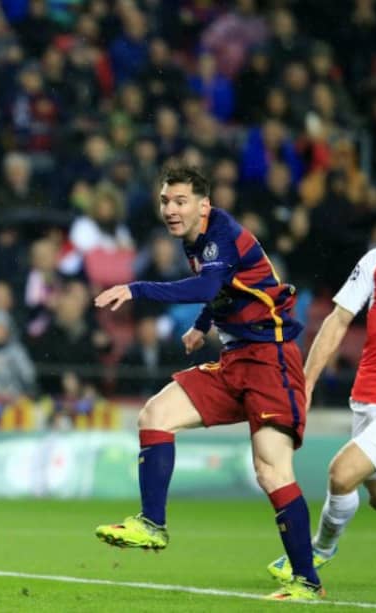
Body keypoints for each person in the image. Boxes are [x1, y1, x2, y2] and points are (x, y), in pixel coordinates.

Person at [92, 166, 322, 601]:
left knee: (271, 469)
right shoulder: (196, 240)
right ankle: (152, 524)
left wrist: (137, 289)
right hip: (235, 358)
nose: (170, 210)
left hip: (271, 359)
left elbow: (209, 283)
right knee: (155, 414)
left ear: (203, 205)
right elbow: (223, 291)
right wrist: (203, 324)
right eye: (164, 201)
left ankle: (307, 580)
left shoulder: (221, 234)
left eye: (180, 201)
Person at [266, 247, 376, 582]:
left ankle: (319, 550)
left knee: (342, 474)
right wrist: (308, 381)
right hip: (367, 398)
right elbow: (338, 319)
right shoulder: (374, 261)